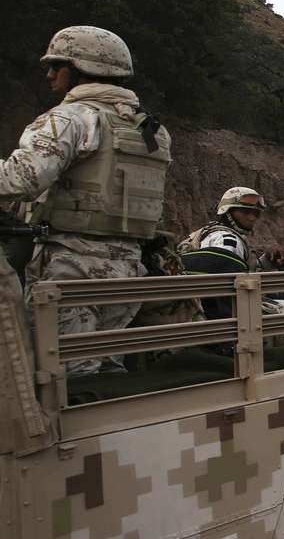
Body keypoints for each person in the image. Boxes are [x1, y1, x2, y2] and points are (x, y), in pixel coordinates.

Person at [0, 26, 171, 374]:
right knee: (105, 371)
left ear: (79, 69)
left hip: (70, 268)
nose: (49, 75)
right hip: (127, 269)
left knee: (62, 380)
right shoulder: (149, 129)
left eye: (56, 66)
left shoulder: (71, 118)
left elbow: (22, 178)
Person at [178, 187, 266, 320]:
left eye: (256, 213)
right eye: (246, 212)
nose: (252, 218)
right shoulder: (228, 240)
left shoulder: (209, 232)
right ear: (228, 211)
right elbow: (225, 285)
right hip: (224, 316)